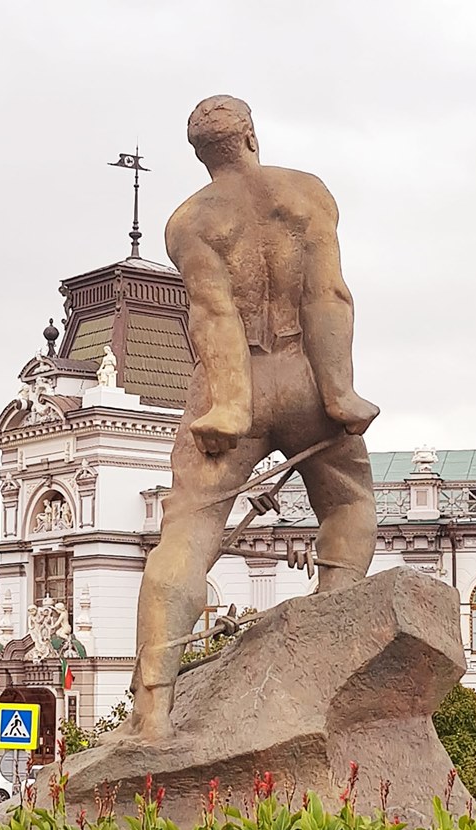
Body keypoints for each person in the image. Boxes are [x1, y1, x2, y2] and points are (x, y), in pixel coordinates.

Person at [132, 96, 379, 739]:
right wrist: (339, 392)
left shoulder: (191, 219)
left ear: (199, 155)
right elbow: (328, 292)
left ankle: (152, 710)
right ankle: (330, 628)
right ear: (251, 136)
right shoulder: (307, 194)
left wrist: (230, 405)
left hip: (230, 386)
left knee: (185, 541)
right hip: (306, 375)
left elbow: (214, 313)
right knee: (349, 504)